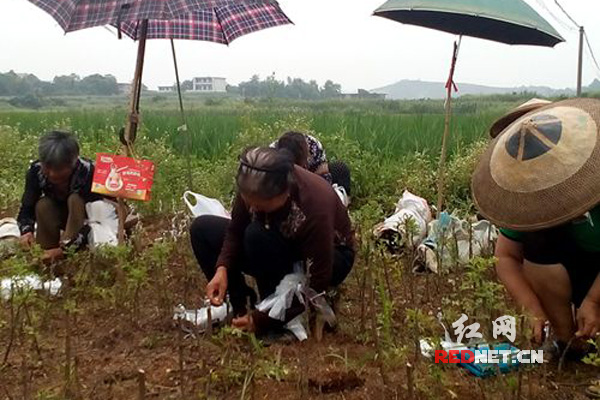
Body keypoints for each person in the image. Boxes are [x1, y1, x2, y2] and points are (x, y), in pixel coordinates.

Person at [472, 98, 600, 352]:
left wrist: (594, 301)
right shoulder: (529, 198)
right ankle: (567, 342)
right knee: (537, 242)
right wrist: (532, 310)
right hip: (568, 274)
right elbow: (505, 257)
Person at [190, 147, 355, 335]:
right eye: (248, 202)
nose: (252, 208)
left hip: (331, 256)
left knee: (257, 235)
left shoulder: (314, 205)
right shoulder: (253, 185)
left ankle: (275, 321)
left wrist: (263, 321)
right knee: (202, 230)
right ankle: (242, 307)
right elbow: (235, 231)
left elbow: (317, 281)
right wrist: (222, 269)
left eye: (259, 205)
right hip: (279, 242)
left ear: (284, 193)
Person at [17, 131, 101, 263]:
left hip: (86, 220)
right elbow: (27, 207)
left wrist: (66, 250)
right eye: (47, 167)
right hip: (60, 215)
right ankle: (46, 258)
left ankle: (68, 255)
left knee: (75, 199)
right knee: (43, 205)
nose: (51, 174)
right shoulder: (36, 172)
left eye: (58, 169)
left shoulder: (89, 173)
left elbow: (99, 222)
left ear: (72, 164)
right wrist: (26, 231)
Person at [272, 131, 351, 196]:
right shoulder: (272, 155)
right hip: (285, 181)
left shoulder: (313, 145)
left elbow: (323, 168)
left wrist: (308, 179)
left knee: (340, 169)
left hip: (313, 174)